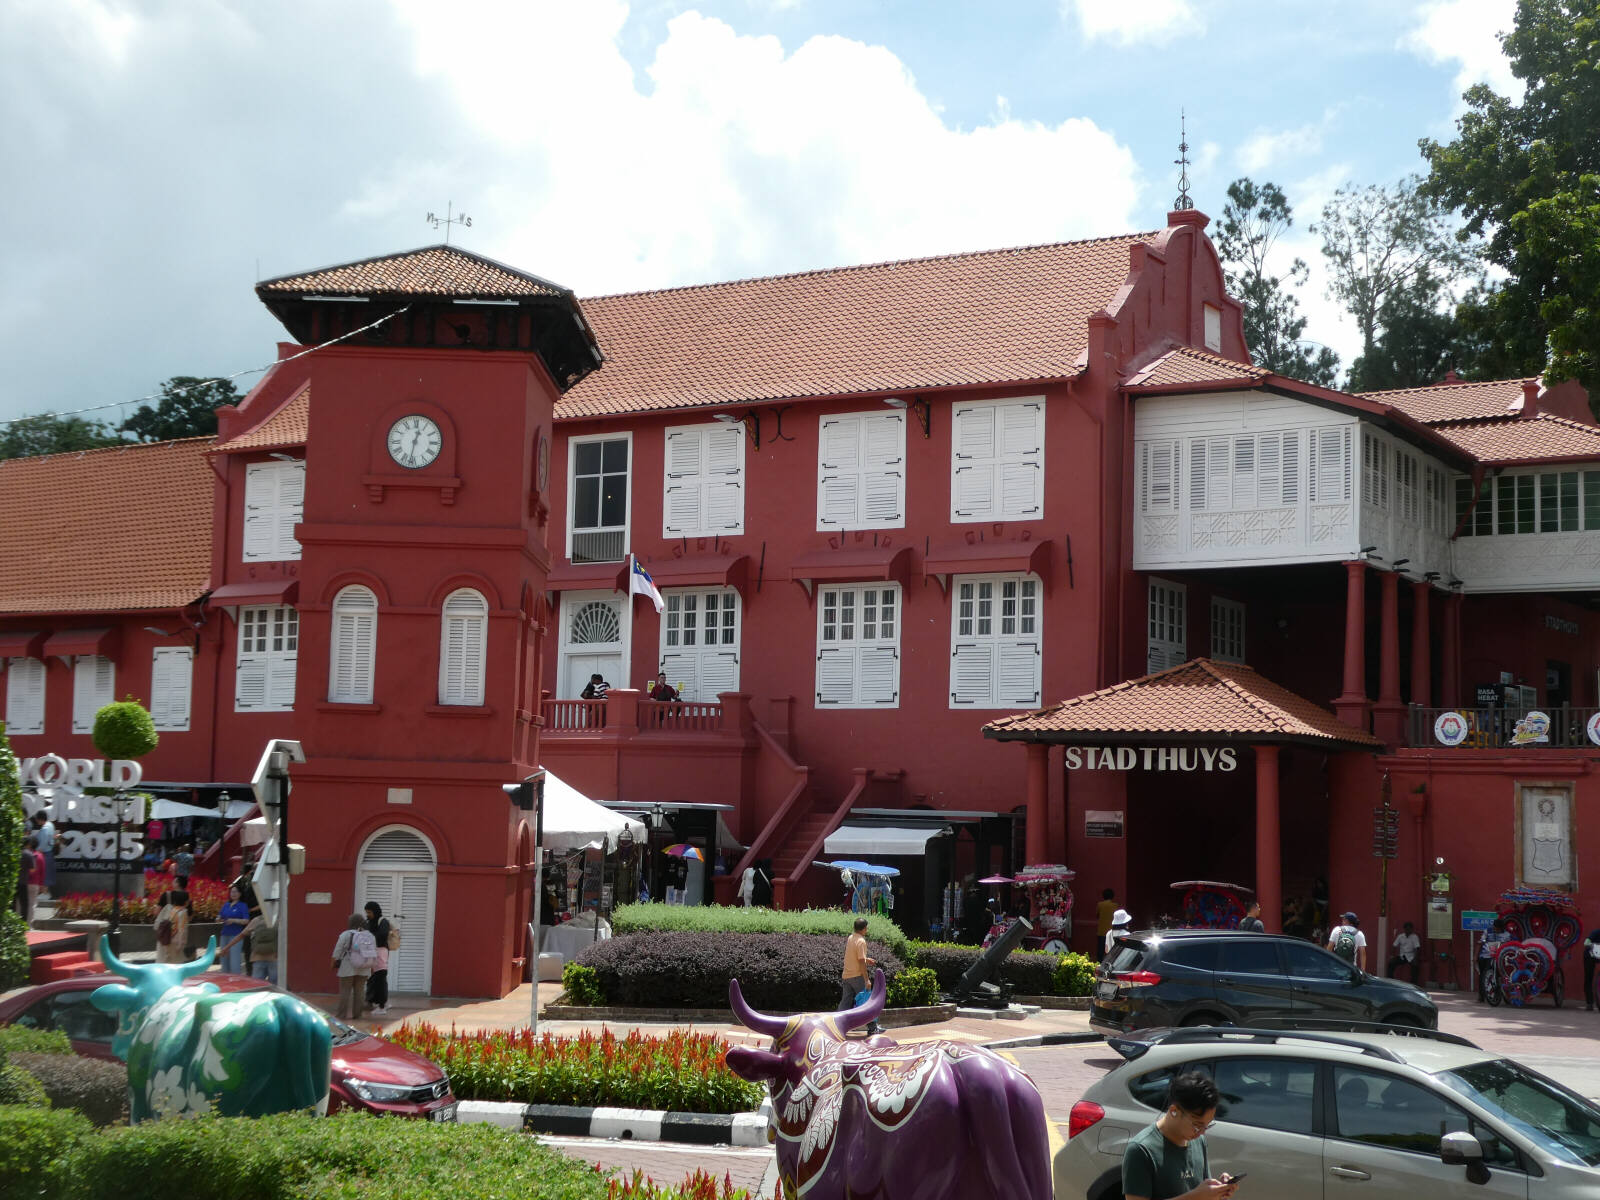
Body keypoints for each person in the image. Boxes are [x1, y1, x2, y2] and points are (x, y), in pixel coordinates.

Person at [1121, 1070, 1239, 1200]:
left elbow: (1201, 1193)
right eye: (1197, 1125)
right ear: (1174, 1111)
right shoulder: (1141, 1150)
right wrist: (1195, 1197)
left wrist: (1217, 1191)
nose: (1201, 1132)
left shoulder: (1198, 1141)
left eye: (1207, 1125)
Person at [840, 917, 881, 1036]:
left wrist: (866, 959)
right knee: (867, 1002)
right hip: (857, 976)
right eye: (866, 928)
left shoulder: (851, 938)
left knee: (845, 1003)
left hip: (847, 976)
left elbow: (856, 956)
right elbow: (861, 962)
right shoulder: (861, 941)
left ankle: (837, 1026)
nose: (867, 930)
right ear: (863, 929)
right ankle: (872, 1028)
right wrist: (867, 979)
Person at [331, 913, 376, 1021]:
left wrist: (332, 964)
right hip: (364, 967)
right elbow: (373, 952)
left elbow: (337, 951)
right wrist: (372, 968)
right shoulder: (370, 936)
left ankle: (341, 1014)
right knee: (360, 992)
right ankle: (358, 1015)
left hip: (348, 966)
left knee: (345, 991)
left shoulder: (345, 935)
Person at [364, 901, 393, 1015]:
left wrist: (369, 935)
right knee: (374, 978)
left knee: (380, 977)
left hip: (380, 952)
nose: (368, 914)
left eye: (369, 912)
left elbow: (382, 935)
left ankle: (382, 1005)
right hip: (372, 953)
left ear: (375, 911)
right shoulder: (369, 922)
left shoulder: (383, 921)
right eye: (366, 912)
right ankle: (374, 1000)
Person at [218, 885, 251, 974]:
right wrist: (219, 919)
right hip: (224, 934)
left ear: (240, 894)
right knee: (224, 959)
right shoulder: (226, 905)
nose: (233, 894)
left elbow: (246, 921)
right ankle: (225, 982)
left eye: (236, 892)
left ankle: (236, 982)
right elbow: (219, 916)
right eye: (232, 892)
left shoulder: (242, 905)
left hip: (236, 936)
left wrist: (234, 920)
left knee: (234, 961)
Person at [154, 889, 190, 965]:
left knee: (168, 962)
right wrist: (180, 945)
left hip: (168, 940)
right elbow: (181, 929)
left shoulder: (173, 910)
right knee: (176, 965)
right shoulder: (183, 912)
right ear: (186, 901)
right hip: (176, 942)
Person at [1479, 917, 1509, 1003]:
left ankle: (1504, 996)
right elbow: (1481, 942)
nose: (1496, 930)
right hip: (1486, 956)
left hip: (1500, 957)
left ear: (1502, 928)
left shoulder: (1507, 935)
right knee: (1484, 975)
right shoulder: (1487, 931)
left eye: (1498, 928)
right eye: (1495, 928)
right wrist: (1475, 956)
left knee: (1502, 975)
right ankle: (1481, 996)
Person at [30, 811, 56, 898]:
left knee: (44, 874)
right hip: (49, 853)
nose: (36, 821)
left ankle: (45, 893)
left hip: (44, 854)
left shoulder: (45, 829)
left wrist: (36, 853)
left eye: (37, 819)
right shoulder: (51, 825)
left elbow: (42, 845)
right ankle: (45, 893)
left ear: (40, 819)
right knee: (47, 874)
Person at [20, 836, 42, 924]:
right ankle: (27, 925)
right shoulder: (37, 856)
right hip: (30, 882)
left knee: (18, 905)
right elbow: (37, 871)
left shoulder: (16, 853)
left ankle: (16, 924)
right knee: (30, 904)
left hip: (19, 882)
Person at [1096, 888, 1119, 960]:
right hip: (1111, 931)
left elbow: (1097, 915)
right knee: (1111, 950)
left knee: (1100, 950)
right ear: (1112, 896)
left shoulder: (1100, 905)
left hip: (1101, 931)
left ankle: (1099, 964)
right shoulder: (1115, 905)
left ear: (1103, 896)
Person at [1584, 923, 1600, 1011]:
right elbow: (1587, 941)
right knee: (1588, 977)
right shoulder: (1596, 932)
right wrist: (1588, 944)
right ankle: (1589, 1003)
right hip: (1590, 954)